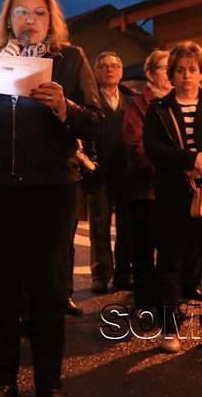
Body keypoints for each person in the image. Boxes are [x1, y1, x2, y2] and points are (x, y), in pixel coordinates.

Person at [0, 0, 101, 397]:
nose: (30, 20)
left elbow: (96, 120)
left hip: (52, 188)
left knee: (48, 288)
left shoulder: (70, 58)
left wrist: (64, 107)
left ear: (50, 18)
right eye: (21, 12)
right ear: (9, 18)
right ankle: (2, 379)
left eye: (38, 12)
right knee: (1, 288)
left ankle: (49, 382)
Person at [143, 41, 202, 353]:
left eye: (192, 69)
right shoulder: (158, 109)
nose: (187, 75)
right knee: (169, 263)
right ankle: (170, 331)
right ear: (171, 74)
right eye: (180, 70)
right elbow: (153, 149)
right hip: (173, 195)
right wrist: (189, 160)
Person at [121, 49, 171, 307]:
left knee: (170, 250)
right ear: (150, 73)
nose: (172, 72)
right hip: (147, 189)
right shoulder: (139, 105)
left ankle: (165, 301)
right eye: (165, 67)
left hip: (174, 190)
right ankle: (145, 302)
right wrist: (167, 167)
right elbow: (135, 145)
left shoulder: (177, 102)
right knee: (144, 249)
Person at [83, 51, 131, 293]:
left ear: (121, 71)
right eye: (103, 66)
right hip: (98, 171)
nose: (109, 69)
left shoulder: (130, 100)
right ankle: (100, 275)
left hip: (125, 172)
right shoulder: (89, 100)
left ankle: (124, 272)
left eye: (114, 65)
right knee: (99, 225)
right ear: (96, 71)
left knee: (127, 225)